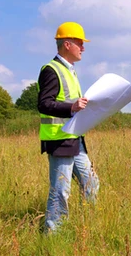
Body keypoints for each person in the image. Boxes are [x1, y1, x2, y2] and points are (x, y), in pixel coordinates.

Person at [37, 21, 99, 232]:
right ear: (67, 44)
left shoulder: (70, 70)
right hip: (59, 139)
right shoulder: (51, 70)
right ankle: (52, 235)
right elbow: (44, 103)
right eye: (80, 43)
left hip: (75, 139)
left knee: (91, 183)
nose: (83, 47)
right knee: (60, 191)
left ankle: (88, 226)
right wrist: (71, 107)